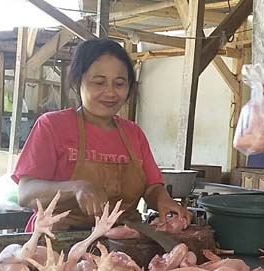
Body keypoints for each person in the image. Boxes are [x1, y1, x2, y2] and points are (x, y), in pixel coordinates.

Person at [13, 38, 190, 231]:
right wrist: (76, 188)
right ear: (78, 81)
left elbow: (152, 187)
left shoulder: (133, 134)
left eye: (119, 84)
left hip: (122, 242)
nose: (110, 92)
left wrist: (164, 201)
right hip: (57, 242)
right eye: (99, 83)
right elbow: (26, 193)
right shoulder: (52, 126)